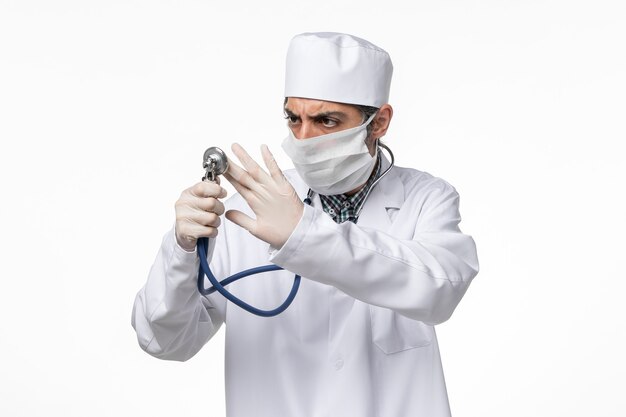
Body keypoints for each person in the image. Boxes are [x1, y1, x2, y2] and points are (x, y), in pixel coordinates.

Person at [132, 32, 479, 417]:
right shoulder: (244, 215)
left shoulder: (425, 199)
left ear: (379, 123)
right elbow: (164, 341)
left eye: (326, 121)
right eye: (293, 119)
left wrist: (303, 235)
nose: (303, 138)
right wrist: (181, 249)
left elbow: (441, 289)